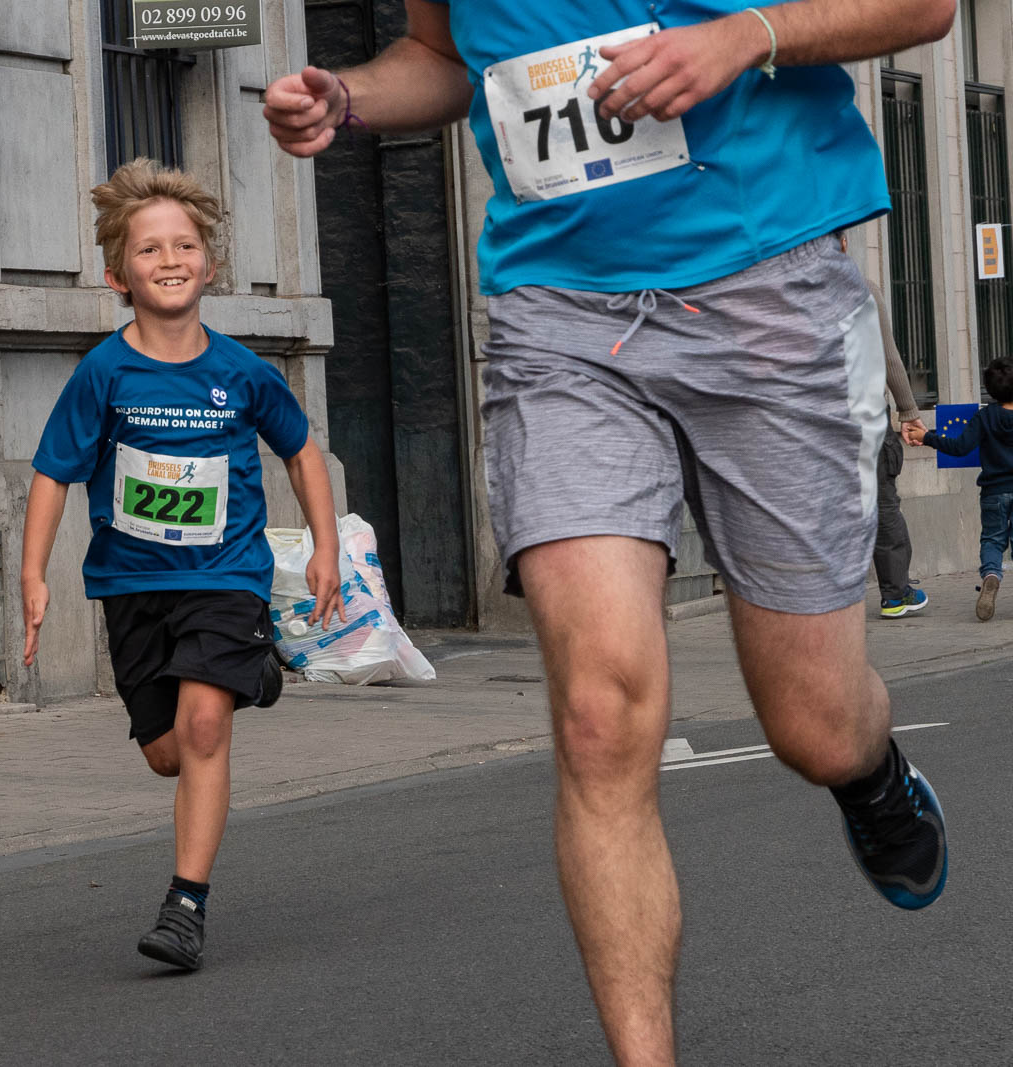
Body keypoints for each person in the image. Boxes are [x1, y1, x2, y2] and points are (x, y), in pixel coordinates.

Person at [263, 2, 953, 1062]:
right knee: (597, 713)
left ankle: (869, 772)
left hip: (768, 289)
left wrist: (743, 37)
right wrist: (350, 98)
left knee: (814, 725)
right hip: (557, 316)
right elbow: (443, 57)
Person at [21, 159, 345, 972]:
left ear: (209, 263)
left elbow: (302, 451)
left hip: (225, 576)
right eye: (149, 249)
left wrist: (324, 547)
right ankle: (255, 676)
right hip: (131, 584)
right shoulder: (104, 372)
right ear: (117, 275)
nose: (169, 259)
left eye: (185, 244)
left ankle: (185, 907)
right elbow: (54, 471)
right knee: (168, 750)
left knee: (205, 726)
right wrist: (33, 575)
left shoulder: (240, 371)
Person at [907, 358, 1013, 622]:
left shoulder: (985, 416)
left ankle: (990, 576)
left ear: (989, 389)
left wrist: (926, 437)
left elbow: (959, 447)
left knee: (992, 539)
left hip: (993, 492)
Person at [857, 265, 929, 618]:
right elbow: (888, 355)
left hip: (809, 422)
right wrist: (908, 409)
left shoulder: (783, 285)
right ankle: (895, 595)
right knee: (883, 506)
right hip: (864, 416)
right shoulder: (861, 286)